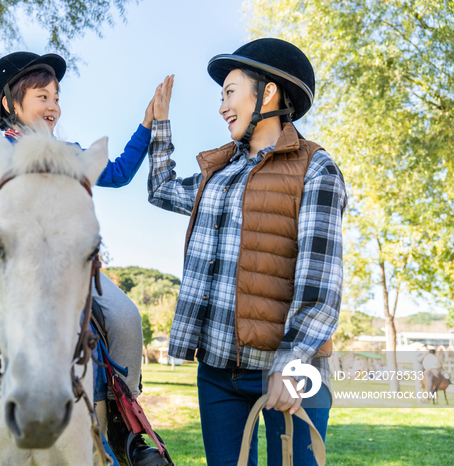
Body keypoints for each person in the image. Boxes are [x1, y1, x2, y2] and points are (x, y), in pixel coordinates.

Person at [0, 51, 163, 466]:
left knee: (124, 317)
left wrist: (147, 124)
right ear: (10, 104)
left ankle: (128, 425)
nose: (53, 106)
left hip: (67, 267)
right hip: (8, 266)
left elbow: (121, 171)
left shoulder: (69, 153)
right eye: (42, 96)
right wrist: (3, 241)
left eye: (56, 97)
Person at [147, 38, 346, 465]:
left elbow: (320, 283)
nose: (222, 106)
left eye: (230, 92)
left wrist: (292, 365)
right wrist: (160, 124)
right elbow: (162, 189)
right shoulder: (219, 173)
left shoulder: (316, 169)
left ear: (268, 92)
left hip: (290, 372)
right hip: (218, 373)